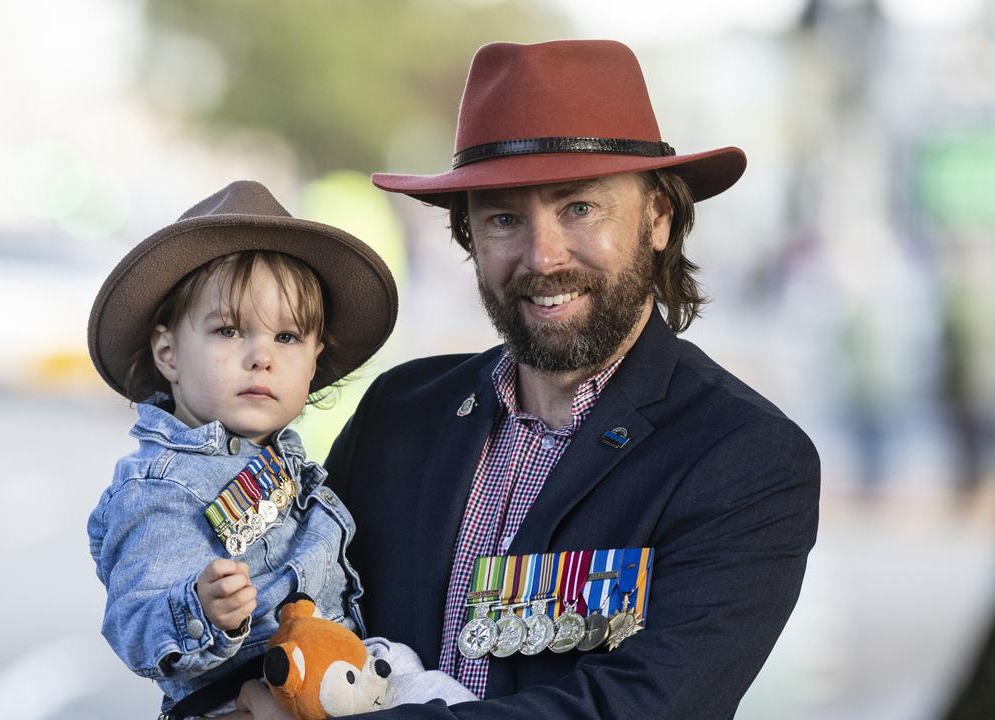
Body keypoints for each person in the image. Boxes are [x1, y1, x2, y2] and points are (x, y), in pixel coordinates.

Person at [235, 40, 821, 719]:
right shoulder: (399, 411)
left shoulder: (744, 458)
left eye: (579, 208)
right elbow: (286, 606)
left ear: (658, 217)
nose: (542, 256)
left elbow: (640, 707)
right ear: (469, 239)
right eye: (505, 218)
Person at [86, 181, 476, 719]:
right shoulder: (159, 484)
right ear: (169, 352)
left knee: (445, 696)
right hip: (238, 698)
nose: (260, 357)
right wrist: (203, 609)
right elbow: (135, 621)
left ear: (315, 358)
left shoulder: (281, 458)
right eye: (228, 331)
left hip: (337, 670)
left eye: (287, 337)